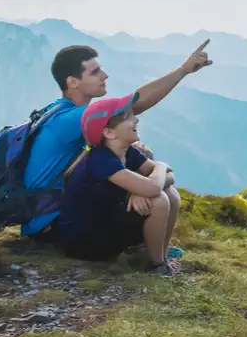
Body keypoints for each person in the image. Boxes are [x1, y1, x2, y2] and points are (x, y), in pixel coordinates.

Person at [20, 40, 212, 257]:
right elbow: (135, 104)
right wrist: (183, 70)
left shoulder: (60, 110)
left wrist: (138, 186)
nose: (105, 75)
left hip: (59, 209)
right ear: (73, 82)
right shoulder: (73, 118)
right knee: (151, 184)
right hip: (54, 222)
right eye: (95, 72)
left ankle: (152, 246)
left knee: (149, 168)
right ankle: (151, 255)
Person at [52, 94, 177, 275]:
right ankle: (156, 266)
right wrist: (161, 166)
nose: (136, 119)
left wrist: (141, 188)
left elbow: (169, 178)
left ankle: (159, 257)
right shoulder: (100, 159)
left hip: (105, 225)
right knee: (159, 200)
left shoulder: (128, 152)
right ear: (109, 133)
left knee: (171, 193)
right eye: (128, 117)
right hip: (85, 244)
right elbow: (154, 186)